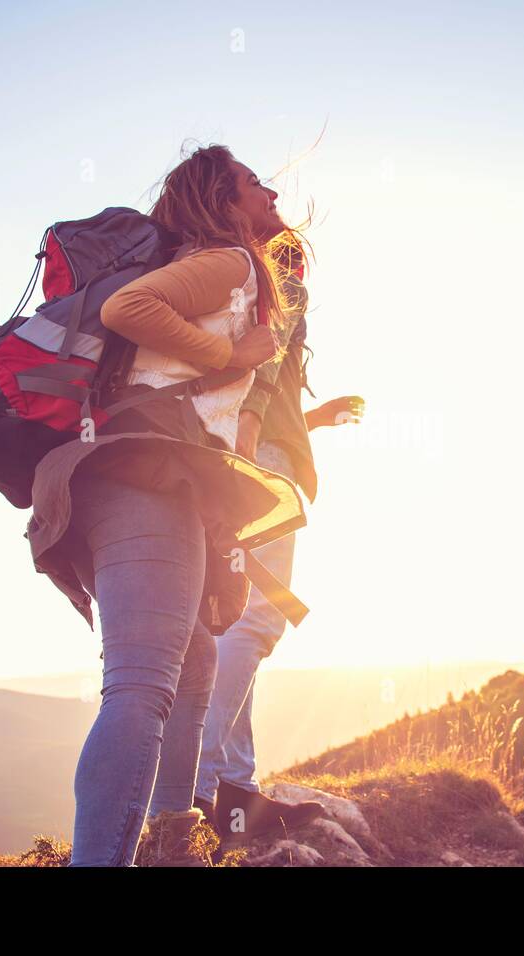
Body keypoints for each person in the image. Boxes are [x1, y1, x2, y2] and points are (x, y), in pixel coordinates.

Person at [25, 143, 308, 866]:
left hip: (134, 476)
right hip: (143, 474)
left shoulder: (230, 269)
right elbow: (128, 307)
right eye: (254, 183)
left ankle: (172, 842)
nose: (270, 193)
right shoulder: (231, 262)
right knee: (141, 685)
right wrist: (230, 357)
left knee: (197, 660)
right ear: (222, 199)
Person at [187, 235, 364, 843]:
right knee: (254, 622)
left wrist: (314, 419)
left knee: (231, 624)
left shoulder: (221, 286)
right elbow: (259, 379)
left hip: (233, 451)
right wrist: (253, 448)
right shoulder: (280, 278)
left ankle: (233, 783)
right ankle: (203, 794)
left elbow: (256, 389)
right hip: (256, 458)